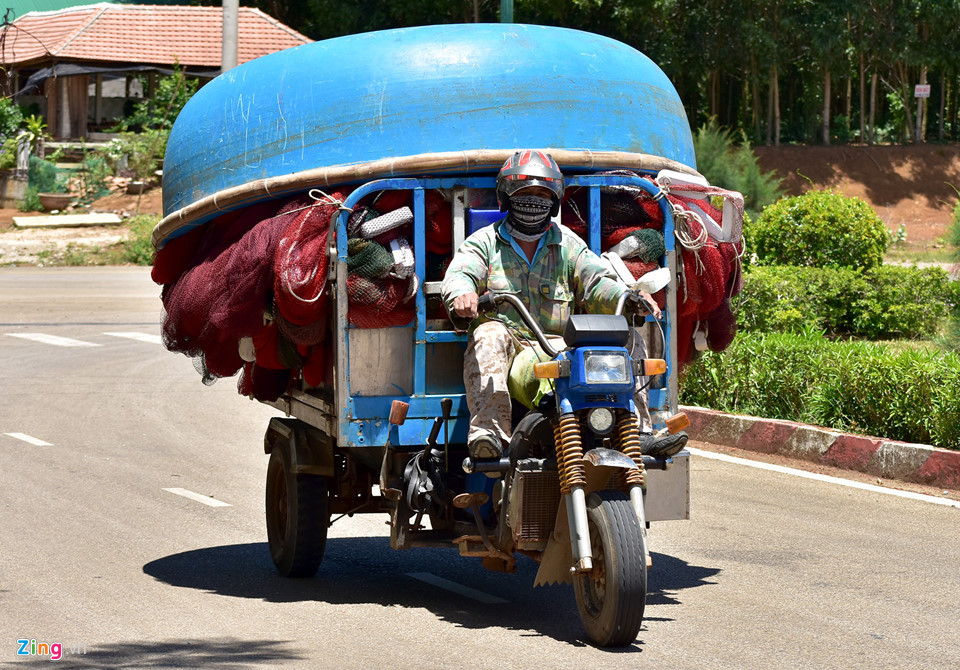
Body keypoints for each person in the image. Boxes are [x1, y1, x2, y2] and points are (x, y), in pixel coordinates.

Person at [441, 149, 688, 460]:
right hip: (515, 350)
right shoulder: (485, 242)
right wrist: (462, 294)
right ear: (506, 196)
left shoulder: (568, 244)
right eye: (524, 193)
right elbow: (461, 274)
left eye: (542, 195)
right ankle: (489, 435)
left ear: (554, 200)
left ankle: (637, 433)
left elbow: (597, 282)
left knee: (629, 337)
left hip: (562, 348)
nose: (533, 201)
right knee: (487, 333)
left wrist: (629, 298)